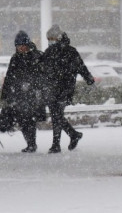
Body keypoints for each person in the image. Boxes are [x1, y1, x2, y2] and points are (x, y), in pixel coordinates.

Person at [40, 24, 95, 153]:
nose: (50, 41)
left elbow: (81, 67)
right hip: (51, 89)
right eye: (48, 39)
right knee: (57, 115)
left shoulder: (70, 51)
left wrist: (89, 79)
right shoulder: (48, 52)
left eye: (52, 38)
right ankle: (73, 135)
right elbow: (42, 69)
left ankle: (57, 144)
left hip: (65, 88)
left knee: (56, 115)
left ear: (59, 37)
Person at [0, 30, 45, 153]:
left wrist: (34, 87)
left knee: (29, 119)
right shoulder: (15, 58)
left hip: (33, 95)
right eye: (17, 46)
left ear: (27, 44)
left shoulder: (37, 56)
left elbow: (42, 76)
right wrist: (6, 95)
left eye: (21, 45)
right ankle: (30, 144)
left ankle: (31, 144)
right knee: (23, 120)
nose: (20, 48)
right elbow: (9, 76)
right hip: (19, 95)